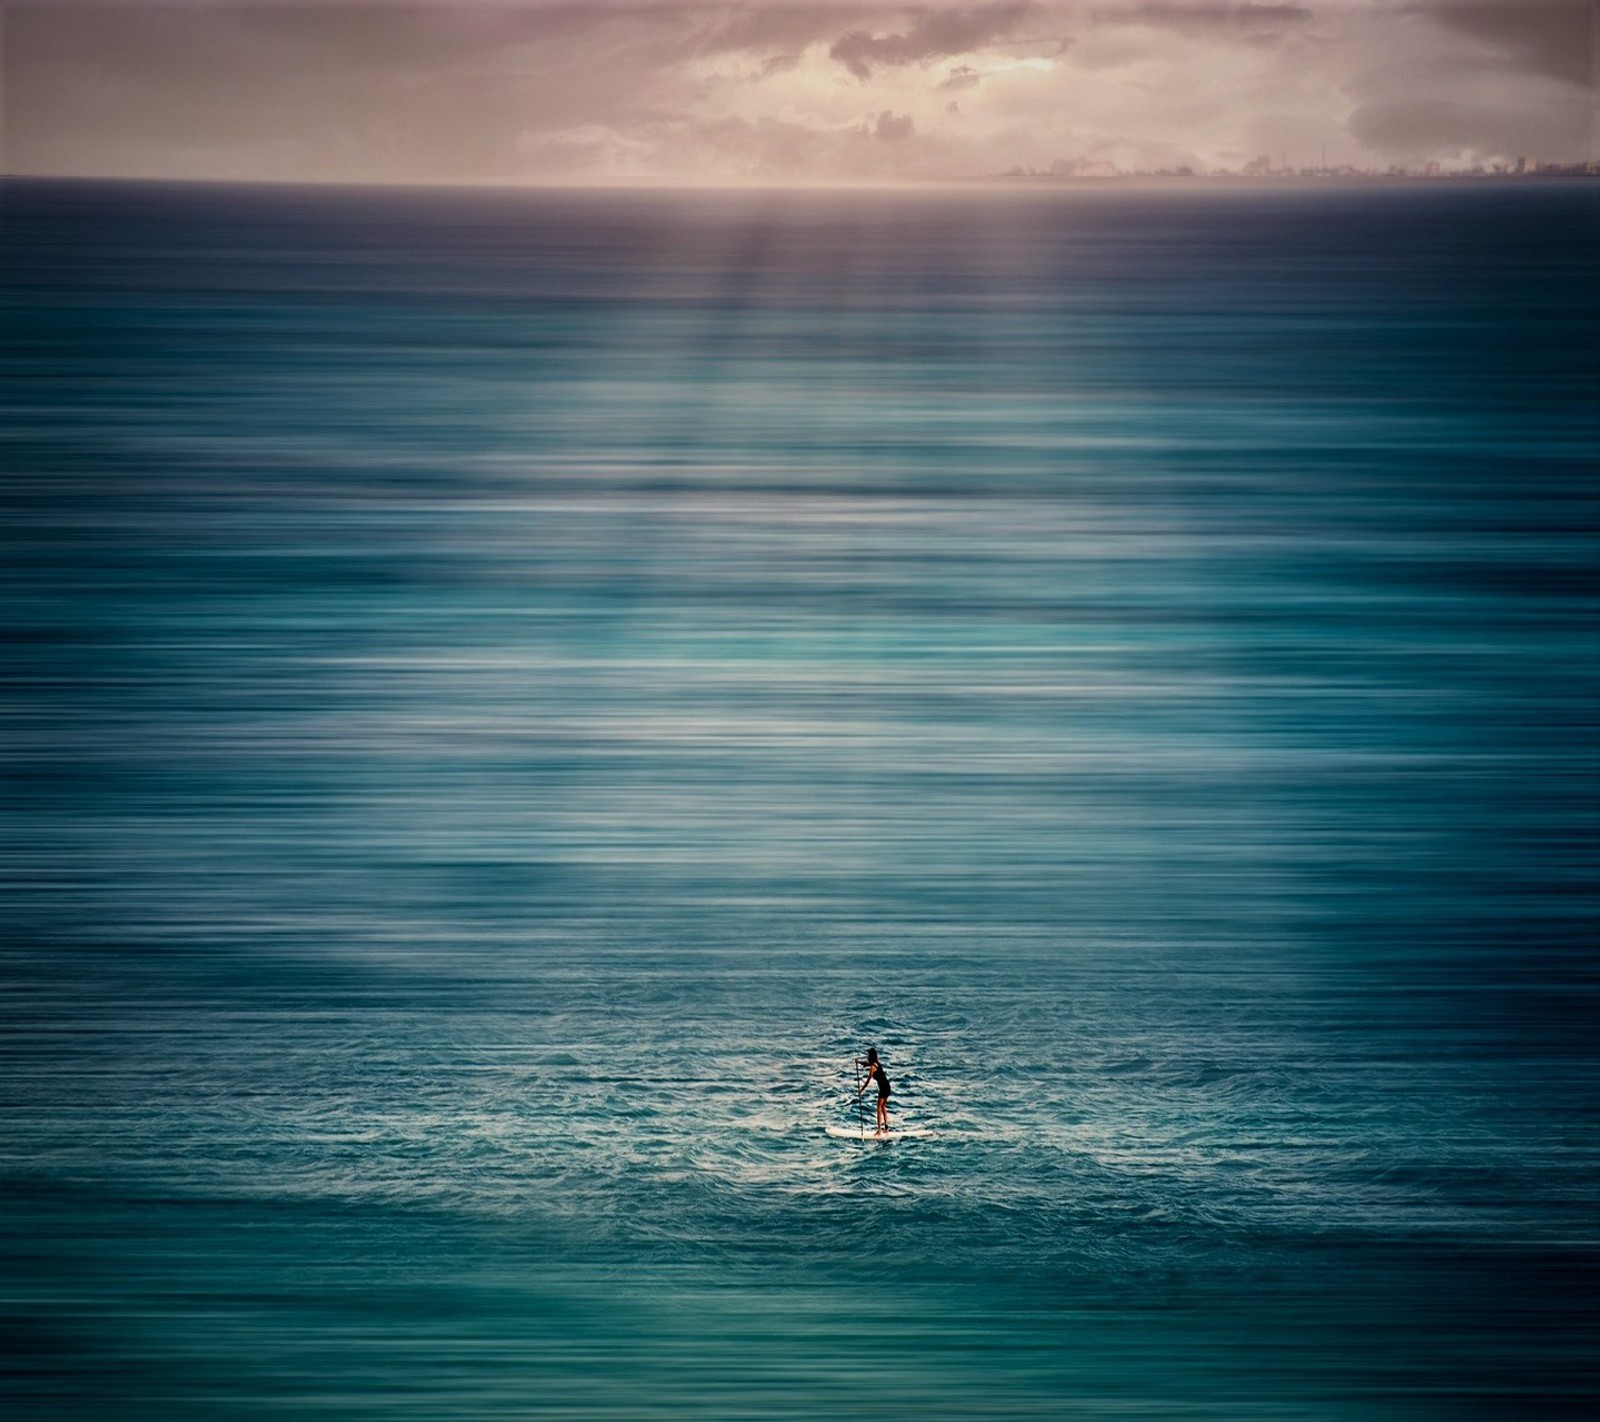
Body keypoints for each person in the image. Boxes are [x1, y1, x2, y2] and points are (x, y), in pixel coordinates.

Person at [858, 1047, 891, 1135]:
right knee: (883, 1106)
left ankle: (879, 1131)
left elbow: (868, 1081)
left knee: (878, 1108)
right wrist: (859, 1062)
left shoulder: (872, 1067)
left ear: (871, 1056)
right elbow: (866, 1064)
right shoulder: (877, 1064)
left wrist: (861, 1090)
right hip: (887, 1086)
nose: (867, 1056)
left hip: (883, 1088)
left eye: (868, 1055)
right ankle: (886, 1129)